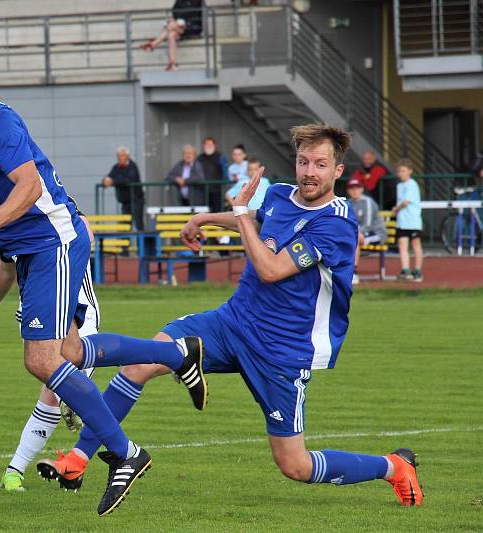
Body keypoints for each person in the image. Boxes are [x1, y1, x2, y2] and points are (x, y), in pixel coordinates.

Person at [0, 45, 207, 515]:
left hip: (53, 240)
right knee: (72, 353)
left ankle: (126, 453)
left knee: (43, 360)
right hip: (23, 248)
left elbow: (30, 187)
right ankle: (176, 353)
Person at [38, 123, 424, 508]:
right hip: (231, 323)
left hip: (281, 351)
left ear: (338, 171)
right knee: (142, 361)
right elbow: (259, 222)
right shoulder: (280, 195)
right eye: (303, 161)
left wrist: (240, 212)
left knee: (295, 464)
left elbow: (271, 269)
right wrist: (206, 217)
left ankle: (393, 467)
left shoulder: (337, 224)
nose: (309, 172)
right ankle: (79, 458)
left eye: (320, 164)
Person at [0, 204, 101, 493]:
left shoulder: (58, 206)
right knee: (55, 393)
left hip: (80, 312)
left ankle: (20, 469)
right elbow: (6, 270)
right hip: (37, 313)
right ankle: (16, 471)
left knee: (57, 391)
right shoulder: (9, 229)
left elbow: (87, 233)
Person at [139, 0, 204, 71]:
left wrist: (179, 20)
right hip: (180, 28)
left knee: (171, 25)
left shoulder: (197, 1)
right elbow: (174, 11)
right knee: (171, 35)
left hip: (193, 27)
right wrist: (176, 20)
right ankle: (173, 64)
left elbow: (191, 13)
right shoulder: (179, 1)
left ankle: (153, 44)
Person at [346, 176, 387, 284]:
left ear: (362, 189)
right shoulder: (348, 203)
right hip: (360, 234)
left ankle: (354, 273)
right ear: (348, 191)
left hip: (377, 233)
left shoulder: (368, 202)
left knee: (354, 239)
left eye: (357, 188)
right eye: (351, 188)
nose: (354, 191)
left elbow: (368, 225)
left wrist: (356, 233)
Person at [391, 159, 423, 282]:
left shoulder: (412, 184)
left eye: (403, 171)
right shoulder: (399, 185)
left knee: (416, 246)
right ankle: (405, 269)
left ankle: (418, 270)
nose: (401, 173)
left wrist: (396, 209)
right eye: (399, 171)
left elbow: (405, 202)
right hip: (402, 221)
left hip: (413, 221)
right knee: (403, 246)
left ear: (410, 171)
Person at [102, 147, 145, 230]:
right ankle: (125, 243)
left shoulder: (132, 166)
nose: (119, 158)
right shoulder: (116, 167)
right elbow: (109, 177)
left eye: (122, 155)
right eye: (118, 156)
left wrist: (113, 181)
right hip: (125, 202)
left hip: (136, 200)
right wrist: (105, 180)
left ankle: (142, 243)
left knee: (139, 224)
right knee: (124, 225)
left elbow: (128, 179)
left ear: (127, 156)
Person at [197, 137, 229, 212]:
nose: (208, 146)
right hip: (202, 191)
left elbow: (225, 174)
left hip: (217, 191)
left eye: (210, 144)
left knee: (217, 212)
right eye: (206, 144)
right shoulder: (199, 158)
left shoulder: (221, 157)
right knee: (203, 213)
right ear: (203, 146)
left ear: (215, 145)